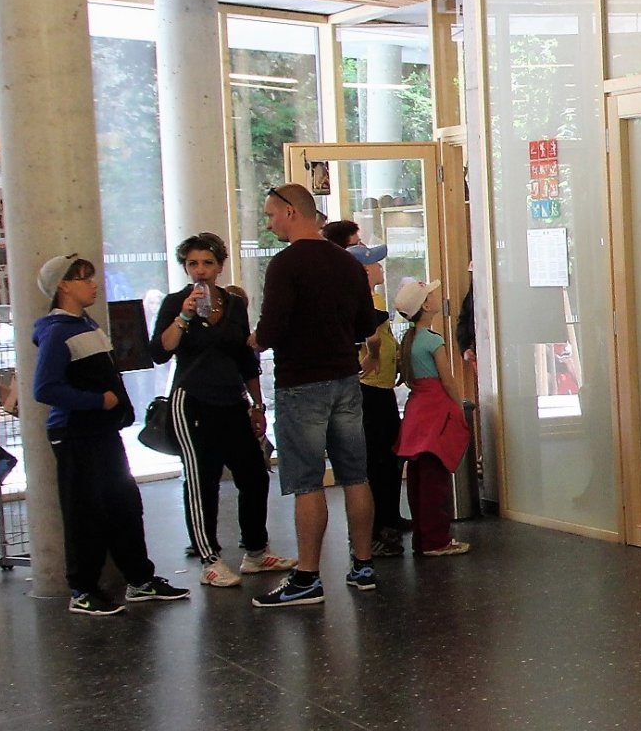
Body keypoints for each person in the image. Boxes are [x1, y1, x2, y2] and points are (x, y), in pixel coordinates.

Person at [249, 184, 387, 608]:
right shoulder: (346, 263)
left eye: (272, 215)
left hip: (300, 383)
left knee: (307, 482)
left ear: (292, 212)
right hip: (345, 379)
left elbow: (270, 331)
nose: (269, 223)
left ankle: (308, 576)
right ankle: (363, 564)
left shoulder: (285, 265)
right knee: (355, 476)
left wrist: (251, 339)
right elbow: (367, 322)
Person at [30, 253, 189, 615]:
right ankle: (82, 589)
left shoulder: (86, 325)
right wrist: (96, 401)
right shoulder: (58, 333)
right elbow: (45, 389)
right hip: (75, 433)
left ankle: (139, 579)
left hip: (101, 433)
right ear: (63, 286)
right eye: (84, 278)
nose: (93, 283)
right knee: (84, 511)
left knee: (124, 505)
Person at [151, 234, 292, 588]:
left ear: (219, 266)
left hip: (232, 401)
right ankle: (209, 558)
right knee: (202, 480)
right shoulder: (174, 303)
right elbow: (159, 351)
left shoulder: (232, 305)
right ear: (185, 267)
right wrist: (184, 315)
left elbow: (246, 358)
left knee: (254, 475)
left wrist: (257, 404)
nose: (200, 271)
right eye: (193, 264)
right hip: (193, 400)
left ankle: (256, 551)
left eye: (207, 263)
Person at [390, 279, 473, 556]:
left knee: (417, 477)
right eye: (432, 295)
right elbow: (447, 379)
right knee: (434, 479)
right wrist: (457, 404)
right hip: (436, 408)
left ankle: (422, 538)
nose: (438, 297)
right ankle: (437, 540)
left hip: (417, 410)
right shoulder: (433, 341)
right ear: (426, 306)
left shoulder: (408, 340)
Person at [357, 306, 408, 556]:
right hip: (368, 389)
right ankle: (373, 532)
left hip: (383, 389)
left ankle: (389, 517)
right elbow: (368, 326)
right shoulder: (361, 302)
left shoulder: (376, 307)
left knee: (391, 457)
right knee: (375, 462)